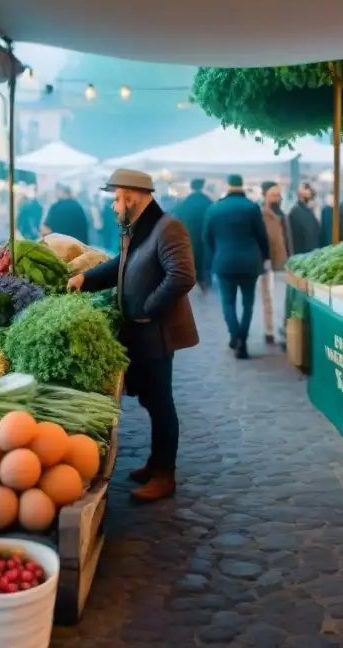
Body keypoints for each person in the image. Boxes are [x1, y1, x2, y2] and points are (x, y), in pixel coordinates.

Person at [67, 168, 198, 503]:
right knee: (152, 401)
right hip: (139, 331)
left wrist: (148, 307)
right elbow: (120, 265)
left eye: (116, 198)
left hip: (156, 331)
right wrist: (87, 279)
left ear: (132, 197)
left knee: (161, 402)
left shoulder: (168, 227)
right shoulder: (135, 229)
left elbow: (182, 276)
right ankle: (155, 462)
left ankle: (165, 475)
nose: (113, 205)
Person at [204, 174, 269, 359]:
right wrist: (265, 257)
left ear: (227, 185)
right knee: (248, 303)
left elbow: (206, 237)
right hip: (250, 263)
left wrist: (217, 252)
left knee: (228, 302)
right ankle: (243, 338)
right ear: (242, 185)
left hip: (224, 262)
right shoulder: (252, 207)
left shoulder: (214, 208)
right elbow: (261, 236)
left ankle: (234, 335)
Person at [259, 181, 288, 346]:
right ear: (265, 196)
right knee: (269, 298)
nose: (277, 198)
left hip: (283, 262)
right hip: (268, 263)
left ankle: (280, 330)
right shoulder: (261, 214)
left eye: (278, 195)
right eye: (273, 195)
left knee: (281, 298)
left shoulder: (282, 213)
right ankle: (270, 331)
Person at [174, 178, 213, 291]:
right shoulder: (208, 201)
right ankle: (205, 280)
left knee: (191, 256)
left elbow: (177, 219)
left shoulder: (185, 202)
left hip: (189, 235)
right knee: (205, 256)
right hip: (205, 234)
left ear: (191, 187)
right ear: (202, 187)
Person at [287, 182, 321, 255]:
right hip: (304, 255)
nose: (310, 191)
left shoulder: (310, 210)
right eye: (307, 188)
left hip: (312, 254)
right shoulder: (296, 212)